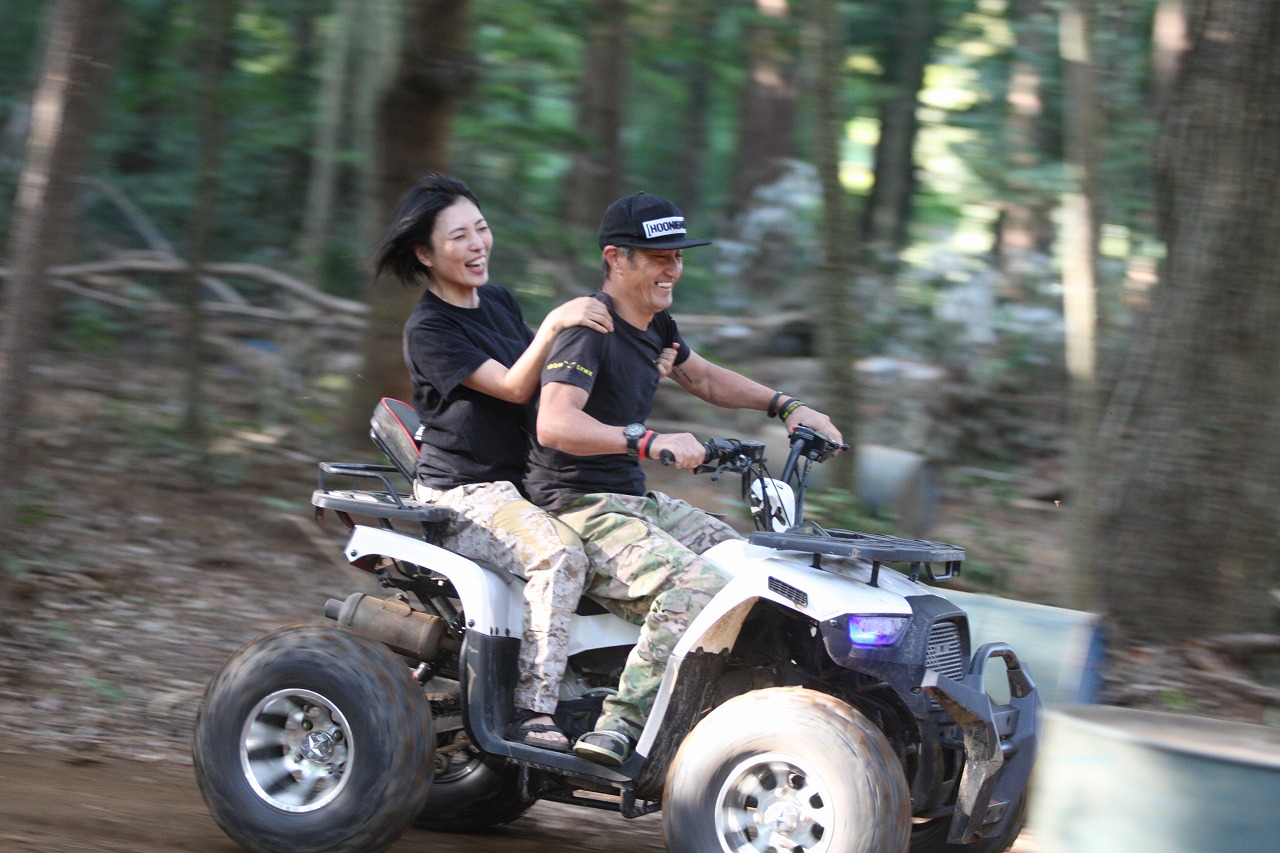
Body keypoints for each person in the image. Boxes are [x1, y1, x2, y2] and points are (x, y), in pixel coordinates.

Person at [527, 191, 842, 766]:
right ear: (616, 258)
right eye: (658, 257)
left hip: (632, 500)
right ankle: (618, 727)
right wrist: (648, 441)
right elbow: (554, 423)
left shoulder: (655, 324)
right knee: (697, 588)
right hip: (577, 504)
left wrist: (787, 406)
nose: (673, 269)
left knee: (750, 566)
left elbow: (706, 380)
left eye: (677, 256)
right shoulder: (588, 329)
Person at [374, 173, 615, 752]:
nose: (478, 244)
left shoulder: (500, 301)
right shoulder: (429, 328)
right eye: (459, 236)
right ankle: (533, 711)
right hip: (465, 494)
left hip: (524, 483)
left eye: (481, 228)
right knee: (558, 555)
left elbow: (548, 373)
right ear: (425, 254)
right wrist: (557, 322)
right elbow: (512, 385)